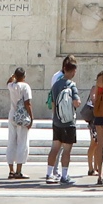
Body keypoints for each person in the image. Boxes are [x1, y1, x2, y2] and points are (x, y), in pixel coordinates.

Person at [45, 56, 82, 185]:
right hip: (69, 122)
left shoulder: (55, 85)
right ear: (72, 71)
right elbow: (76, 103)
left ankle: (49, 173)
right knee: (67, 150)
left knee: (55, 147)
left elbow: (53, 103)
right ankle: (64, 175)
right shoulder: (72, 85)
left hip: (57, 121)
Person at [3, 68, 33, 181]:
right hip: (23, 117)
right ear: (24, 76)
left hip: (12, 115)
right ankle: (19, 171)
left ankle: (11, 170)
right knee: (22, 142)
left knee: (11, 141)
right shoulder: (25, 87)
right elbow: (28, 103)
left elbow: (8, 82)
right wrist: (31, 117)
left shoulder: (12, 86)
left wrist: (13, 77)